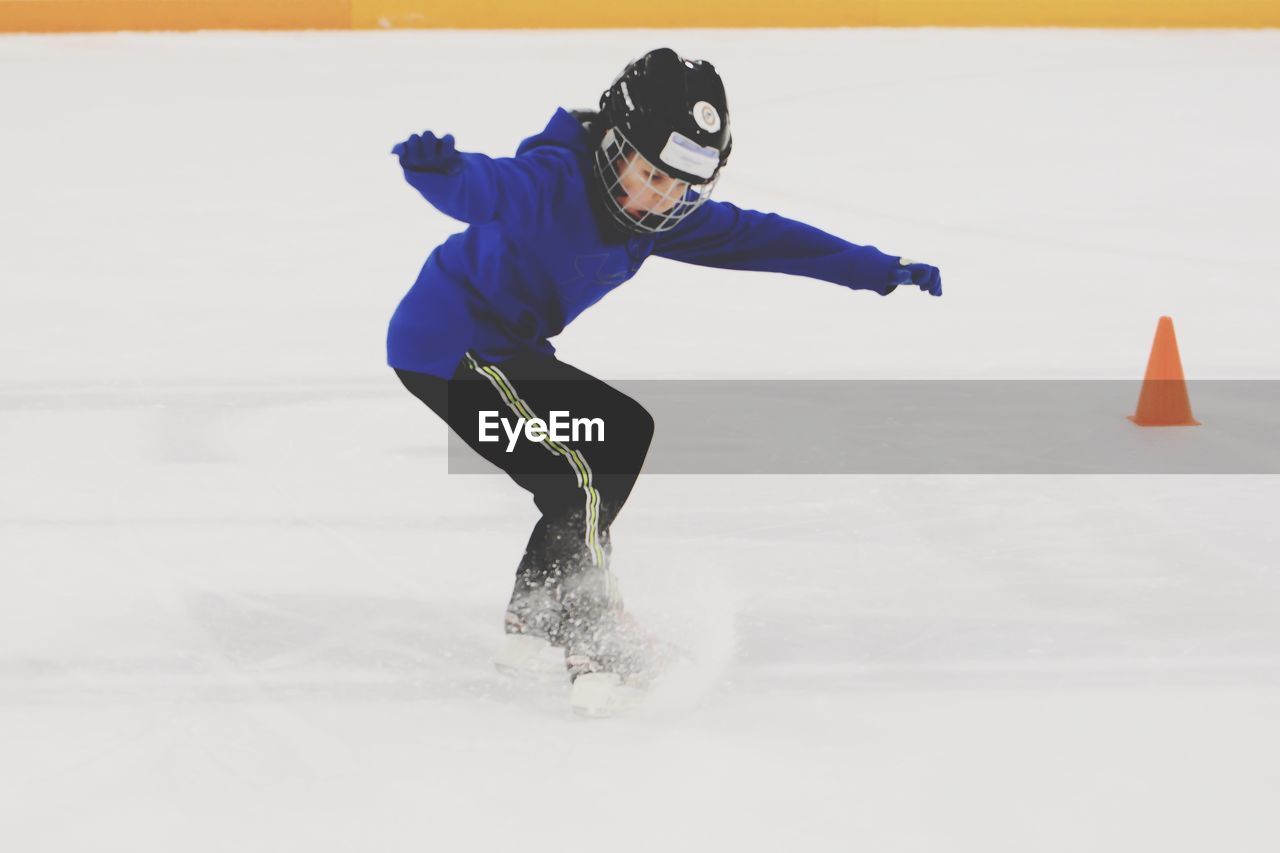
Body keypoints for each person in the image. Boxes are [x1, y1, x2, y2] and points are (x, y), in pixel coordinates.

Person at [388, 48, 942, 711]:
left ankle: (538, 604)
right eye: (652, 175)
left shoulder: (650, 216)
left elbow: (761, 238)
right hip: (452, 347)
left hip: (508, 350)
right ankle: (591, 625)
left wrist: (873, 267)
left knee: (621, 433)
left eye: (683, 187)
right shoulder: (556, 180)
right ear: (612, 146)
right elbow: (489, 187)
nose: (664, 198)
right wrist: (440, 173)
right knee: (576, 475)